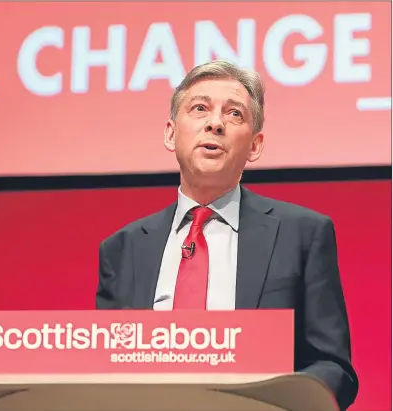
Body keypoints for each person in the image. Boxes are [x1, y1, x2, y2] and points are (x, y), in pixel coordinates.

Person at [95, 60, 358, 410]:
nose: (215, 123)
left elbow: (333, 366)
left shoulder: (303, 234)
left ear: (255, 145)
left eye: (234, 114)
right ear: (171, 133)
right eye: (199, 108)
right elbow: (104, 370)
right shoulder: (123, 249)